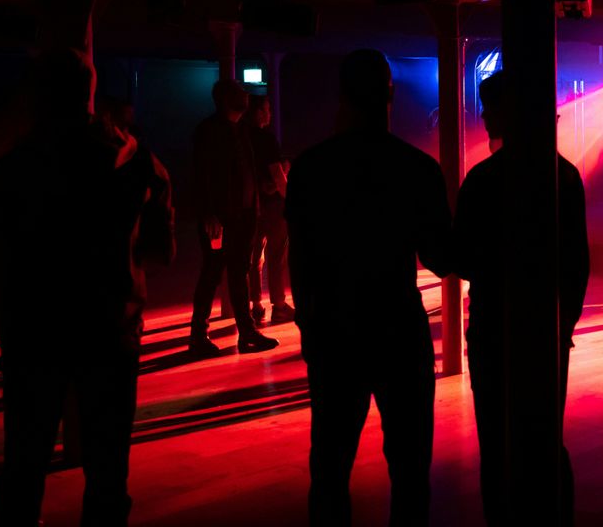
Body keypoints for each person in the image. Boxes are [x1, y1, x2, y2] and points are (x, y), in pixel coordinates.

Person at [0, 48, 174, 526]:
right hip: (109, 324)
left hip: (35, 328)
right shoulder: (132, 157)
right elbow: (161, 247)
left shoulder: (16, 165)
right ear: (89, 92)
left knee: (23, 466)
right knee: (107, 470)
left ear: (38, 96)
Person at [285, 49, 453, 526]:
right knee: (410, 471)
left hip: (336, 330)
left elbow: (300, 259)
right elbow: (441, 258)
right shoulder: (416, 168)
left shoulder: (311, 168)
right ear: (390, 95)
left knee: (330, 470)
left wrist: (310, 327)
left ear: (341, 95)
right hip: (399, 329)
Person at [454, 70, 590, 526]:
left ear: (503, 114)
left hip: (493, 327)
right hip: (547, 330)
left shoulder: (483, 179)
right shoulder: (565, 176)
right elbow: (577, 263)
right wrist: (563, 324)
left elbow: (463, 258)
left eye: (488, 109)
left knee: (496, 442)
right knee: (546, 437)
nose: (484, 117)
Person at [188, 79, 278, 357]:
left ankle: (244, 333)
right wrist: (208, 213)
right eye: (240, 91)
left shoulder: (240, 130)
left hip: (242, 216)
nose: (246, 95)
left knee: (235, 273)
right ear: (226, 99)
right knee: (213, 273)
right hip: (222, 218)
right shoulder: (209, 131)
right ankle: (201, 336)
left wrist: (253, 209)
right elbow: (201, 175)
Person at [242, 94, 294, 325]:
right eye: (267, 109)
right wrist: (289, 196)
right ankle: (279, 305)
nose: (270, 114)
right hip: (272, 206)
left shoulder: (241, 137)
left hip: (249, 205)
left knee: (254, 258)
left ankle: (255, 304)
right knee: (276, 256)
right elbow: (276, 176)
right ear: (258, 112)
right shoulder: (267, 139)